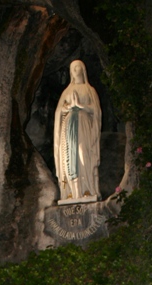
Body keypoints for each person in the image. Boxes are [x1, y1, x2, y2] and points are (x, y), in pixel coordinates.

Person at [54, 60, 101, 202]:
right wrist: (68, 108)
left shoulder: (89, 90)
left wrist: (81, 106)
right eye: (72, 68)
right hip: (68, 128)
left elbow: (96, 110)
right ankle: (72, 192)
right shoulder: (67, 91)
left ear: (83, 69)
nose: (75, 70)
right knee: (68, 157)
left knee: (83, 155)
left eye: (78, 67)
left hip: (83, 126)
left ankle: (87, 189)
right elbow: (59, 111)